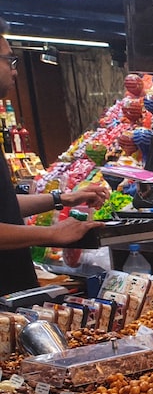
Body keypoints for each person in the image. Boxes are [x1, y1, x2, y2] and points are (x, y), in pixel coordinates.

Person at [0, 19, 106, 296]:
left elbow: (5, 207)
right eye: (9, 60)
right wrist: (52, 234)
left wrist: (63, 199)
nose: (15, 72)